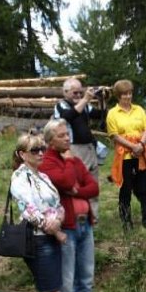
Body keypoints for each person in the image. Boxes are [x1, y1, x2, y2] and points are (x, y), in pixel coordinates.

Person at [41, 120, 102, 292]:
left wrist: (76, 190)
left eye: (67, 134)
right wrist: (68, 165)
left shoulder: (74, 160)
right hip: (66, 228)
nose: (68, 138)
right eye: (61, 135)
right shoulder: (48, 162)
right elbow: (65, 181)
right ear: (50, 141)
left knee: (86, 279)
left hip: (85, 225)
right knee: (66, 284)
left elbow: (93, 187)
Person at [10, 133, 68, 292]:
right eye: (35, 150)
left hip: (50, 238)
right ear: (22, 154)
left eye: (42, 148)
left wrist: (59, 220)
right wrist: (55, 230)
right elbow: (29, 210)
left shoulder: (42, 176)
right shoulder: (19, 177)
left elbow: (58, 205)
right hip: (37, 240)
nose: (41, 153)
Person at [51, 77, 104, 218]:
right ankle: (78, 214)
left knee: (92, 183)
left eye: (81, 92)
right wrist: (85, 99)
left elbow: (99, 115)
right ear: (65, 92)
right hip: (74, 149)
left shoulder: (84, 105)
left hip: (89, 148)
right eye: (75, 93)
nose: (79, 95)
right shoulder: (61, 106)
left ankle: (93, 216)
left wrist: (102, 100)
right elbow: (67, 117)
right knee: (78, 183)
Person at [106, 79, 146, 230]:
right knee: (125, 189)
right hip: (124, 157)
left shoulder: (139, 110)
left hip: (141, 155)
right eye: (124, 94)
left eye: (130, 93)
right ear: (118, 95)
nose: (128, 96)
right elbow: (114, 135)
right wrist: (132, 146)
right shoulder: (112, 113)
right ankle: (126, 222)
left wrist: (140, 145)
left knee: (145, 188)